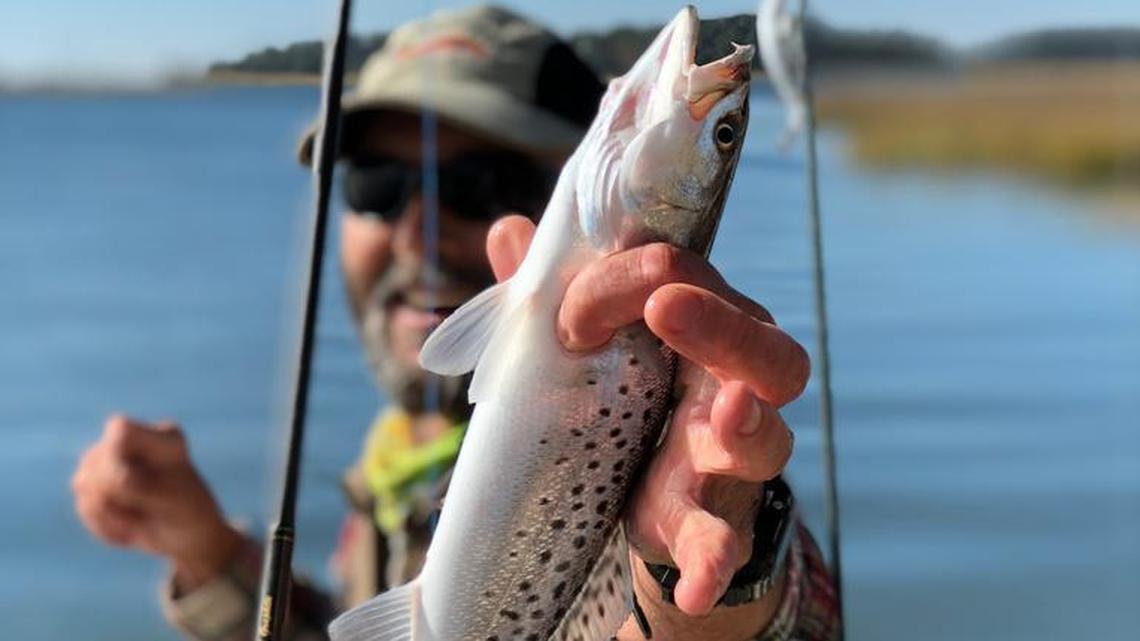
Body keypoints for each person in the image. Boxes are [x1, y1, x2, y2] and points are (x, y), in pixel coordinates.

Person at [71, 5, 840, 641]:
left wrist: (719, 581)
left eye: (484, 182)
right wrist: (209, 553)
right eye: (376, 185)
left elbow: (782, 612)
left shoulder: (677, 442)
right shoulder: (391, 466)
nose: (418, 231)